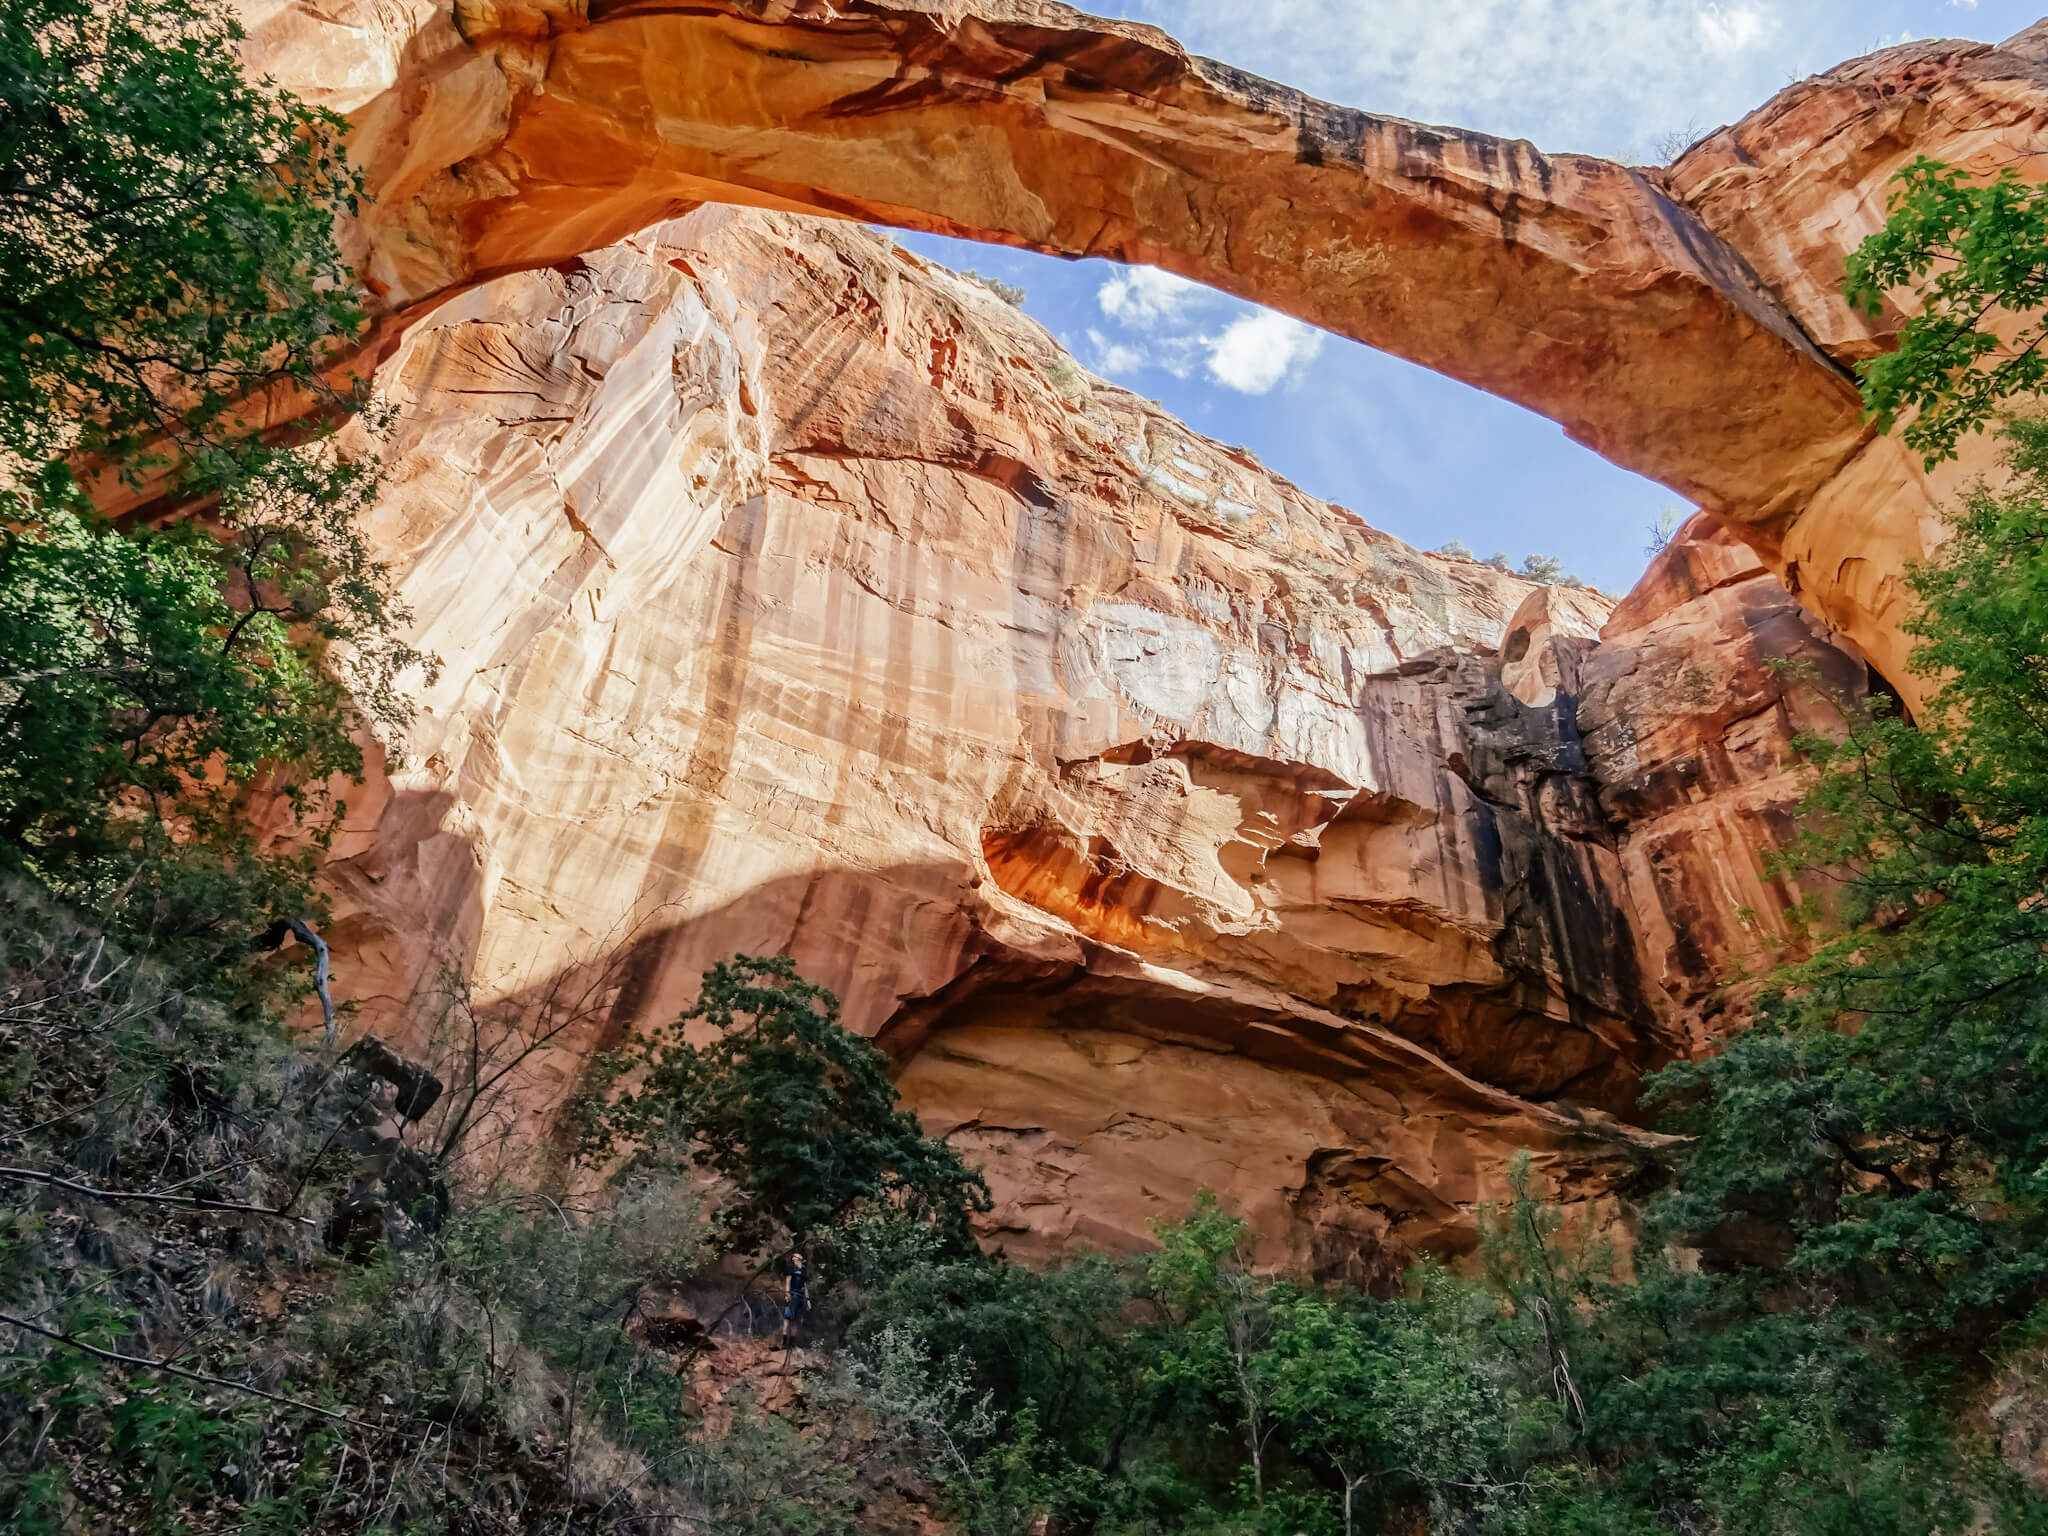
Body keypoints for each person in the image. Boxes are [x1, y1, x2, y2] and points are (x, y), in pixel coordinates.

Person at [781, 1251, 809, 1346]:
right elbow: (788, 1282)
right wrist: (787, 1294)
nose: (794, 1258)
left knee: (797, 1319)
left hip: (800, 1296)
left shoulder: (804, 1270)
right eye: (793, 1257)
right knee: (787, 1317)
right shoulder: (791, 1269)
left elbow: (805, 1285)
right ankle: (784, 1342)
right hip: (792, 1294)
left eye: (796, 1256)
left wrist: (808, 1300)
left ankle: (792, 1343)